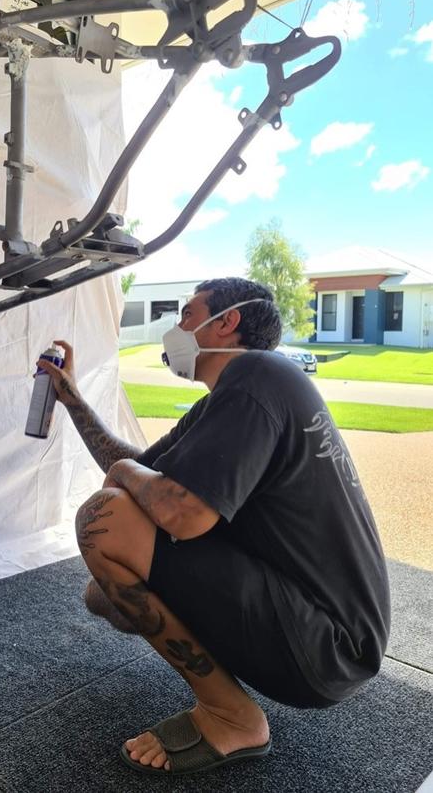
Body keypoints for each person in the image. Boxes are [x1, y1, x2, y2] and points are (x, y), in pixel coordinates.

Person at [38, 276, 390, 777]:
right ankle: (227, 700)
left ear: (227, 322)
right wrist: (71, 398)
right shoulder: (235, 396)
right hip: (323, 637)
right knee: (104, 593)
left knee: (105, 521)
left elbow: (182, 513)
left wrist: (125, 477)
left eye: (187, 313)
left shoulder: (256, 374)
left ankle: (232, 718)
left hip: (324, 643)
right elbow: (140, 467)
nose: (175, 327)